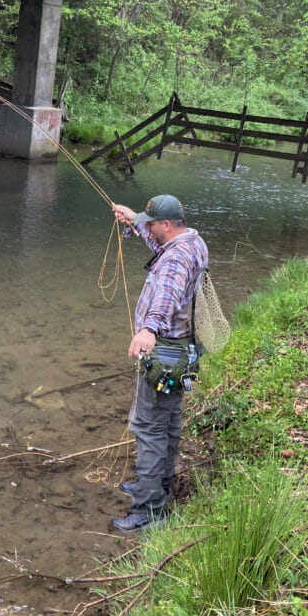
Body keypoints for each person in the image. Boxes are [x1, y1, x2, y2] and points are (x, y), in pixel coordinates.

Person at [111, 194, 208, 532]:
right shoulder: (191, 241)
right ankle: (159, 485)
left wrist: (149, 328)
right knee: (168, 421)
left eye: (152, 223)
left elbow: (167, 291)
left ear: (167, 224)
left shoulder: (175, 260)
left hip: (164, 353)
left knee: (148, 428)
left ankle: (149, 512)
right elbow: (160, 247)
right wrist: (135, 221)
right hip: (184, 353)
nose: (149, 228)